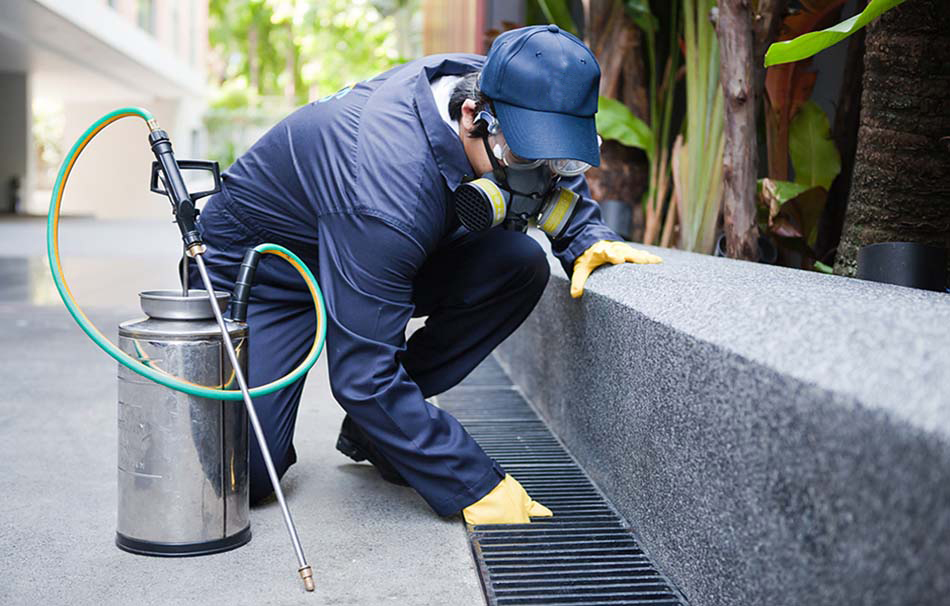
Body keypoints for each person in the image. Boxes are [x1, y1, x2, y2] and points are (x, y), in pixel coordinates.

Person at [189, 24, 661, 525]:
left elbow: (555, 169)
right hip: (265, 275)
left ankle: (379, 435)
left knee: (518, 264)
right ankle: (386, 426)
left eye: (556, 157)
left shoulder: (506, 82)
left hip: (375, 245)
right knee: (247, 475)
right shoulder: (386, 185)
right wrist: (469, 482)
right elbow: (363, 376)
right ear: (472, 117)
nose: (538, 179)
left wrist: (585, 236)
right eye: (522, 157)